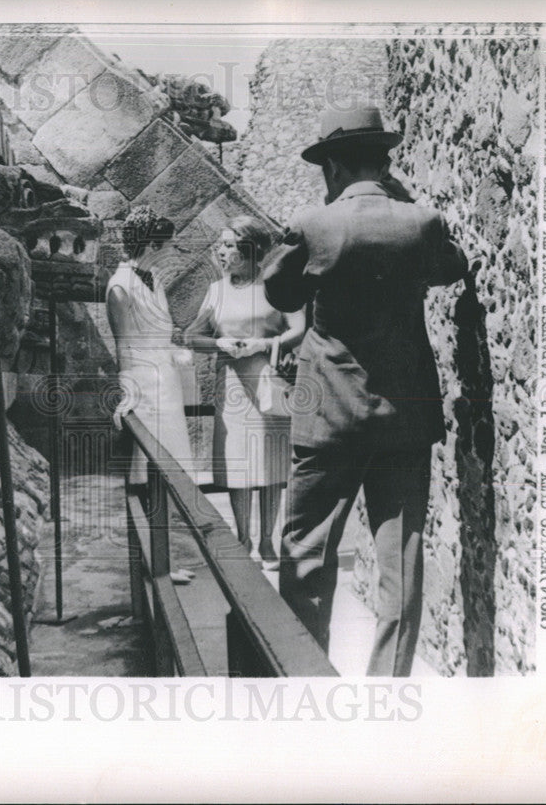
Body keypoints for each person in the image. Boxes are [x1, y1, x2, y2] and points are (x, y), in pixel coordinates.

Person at [264, 106, 468, 675]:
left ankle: (303, 681)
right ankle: (387, 689)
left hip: (329, 414)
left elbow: (278, 295)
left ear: (330, 166)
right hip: (405, 419)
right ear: (385, 162)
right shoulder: (422, 222)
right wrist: (400, 200)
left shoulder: (314, 225)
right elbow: (453, 266)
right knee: (400, 559)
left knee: (305, 553)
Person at [181, 216, 306, 571]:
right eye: (220, 245)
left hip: (268, 383)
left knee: (270, 464)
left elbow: (299, 327)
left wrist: (263, 343)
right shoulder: (217, 291)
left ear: (249, 250)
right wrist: (219, 341)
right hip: (231, 386)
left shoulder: (275, 287)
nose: (220, 252)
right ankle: (243, 538)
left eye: (228, 245)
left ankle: (268, 541)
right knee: (238, 464)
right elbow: (192, 335)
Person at [107, 206, 196, 584]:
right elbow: (123, 346)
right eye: (167, 243)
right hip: (143, 383)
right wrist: (127, 392)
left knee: (169, 471)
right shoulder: (120, 286)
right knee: (147, 471)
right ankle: (155, 563)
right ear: (151, 243)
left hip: (168, 382)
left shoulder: (153, 278)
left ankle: (163, 559)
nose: (172, 249)